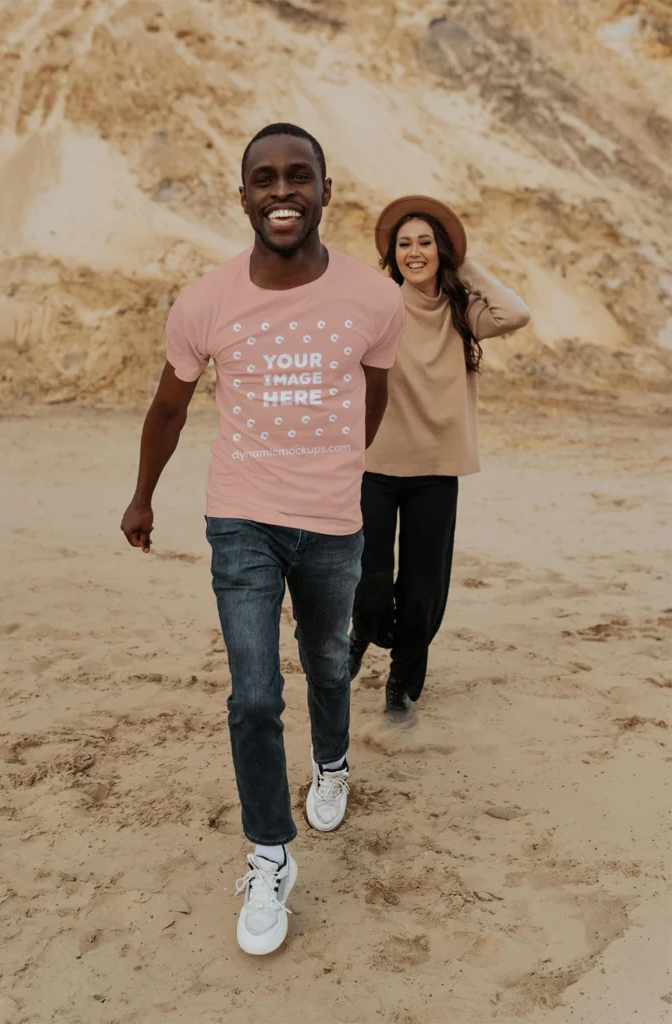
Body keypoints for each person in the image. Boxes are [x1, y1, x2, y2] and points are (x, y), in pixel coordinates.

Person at [120, 124, 404, 956]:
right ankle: (269, 853)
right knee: (251, 694)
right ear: (242, 194)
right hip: (239, 516)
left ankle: (331, 761)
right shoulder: (204, 300)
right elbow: (169, 406)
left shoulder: (373, 298)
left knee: (325, 662)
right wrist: (143, 496)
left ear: (324, 189)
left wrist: (346, 468)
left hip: (330, 521)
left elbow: (372, 395)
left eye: (298, 177)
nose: (282, 192)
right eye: (264, 179)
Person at [348, 195, 530, 717]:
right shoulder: (379, 303)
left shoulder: (463, 311)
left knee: (423, 588)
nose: (414, 252)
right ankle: (360, 634)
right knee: (371, 578)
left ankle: (401, 688)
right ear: (392, 254)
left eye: (425, 242)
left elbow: (515, 312)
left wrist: (462, 261)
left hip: (436, 471)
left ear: (441, 249)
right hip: (376, 467)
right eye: (404, 244)